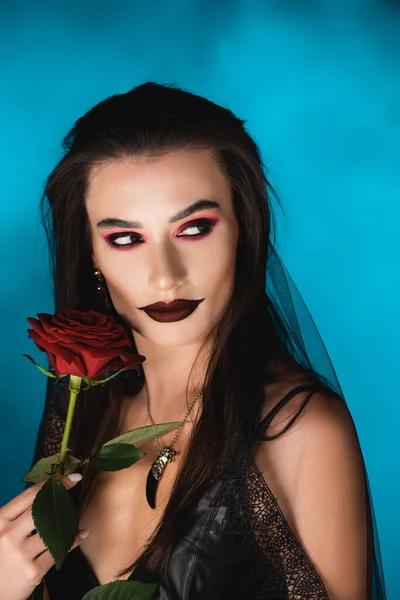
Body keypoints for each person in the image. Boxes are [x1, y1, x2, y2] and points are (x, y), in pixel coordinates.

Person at [1, 82, 386, 599]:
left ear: (243, 230)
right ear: (92, 253)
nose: (165, 276)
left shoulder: (299, 432)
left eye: (194, 228)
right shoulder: (80, 411)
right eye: (125, 238)